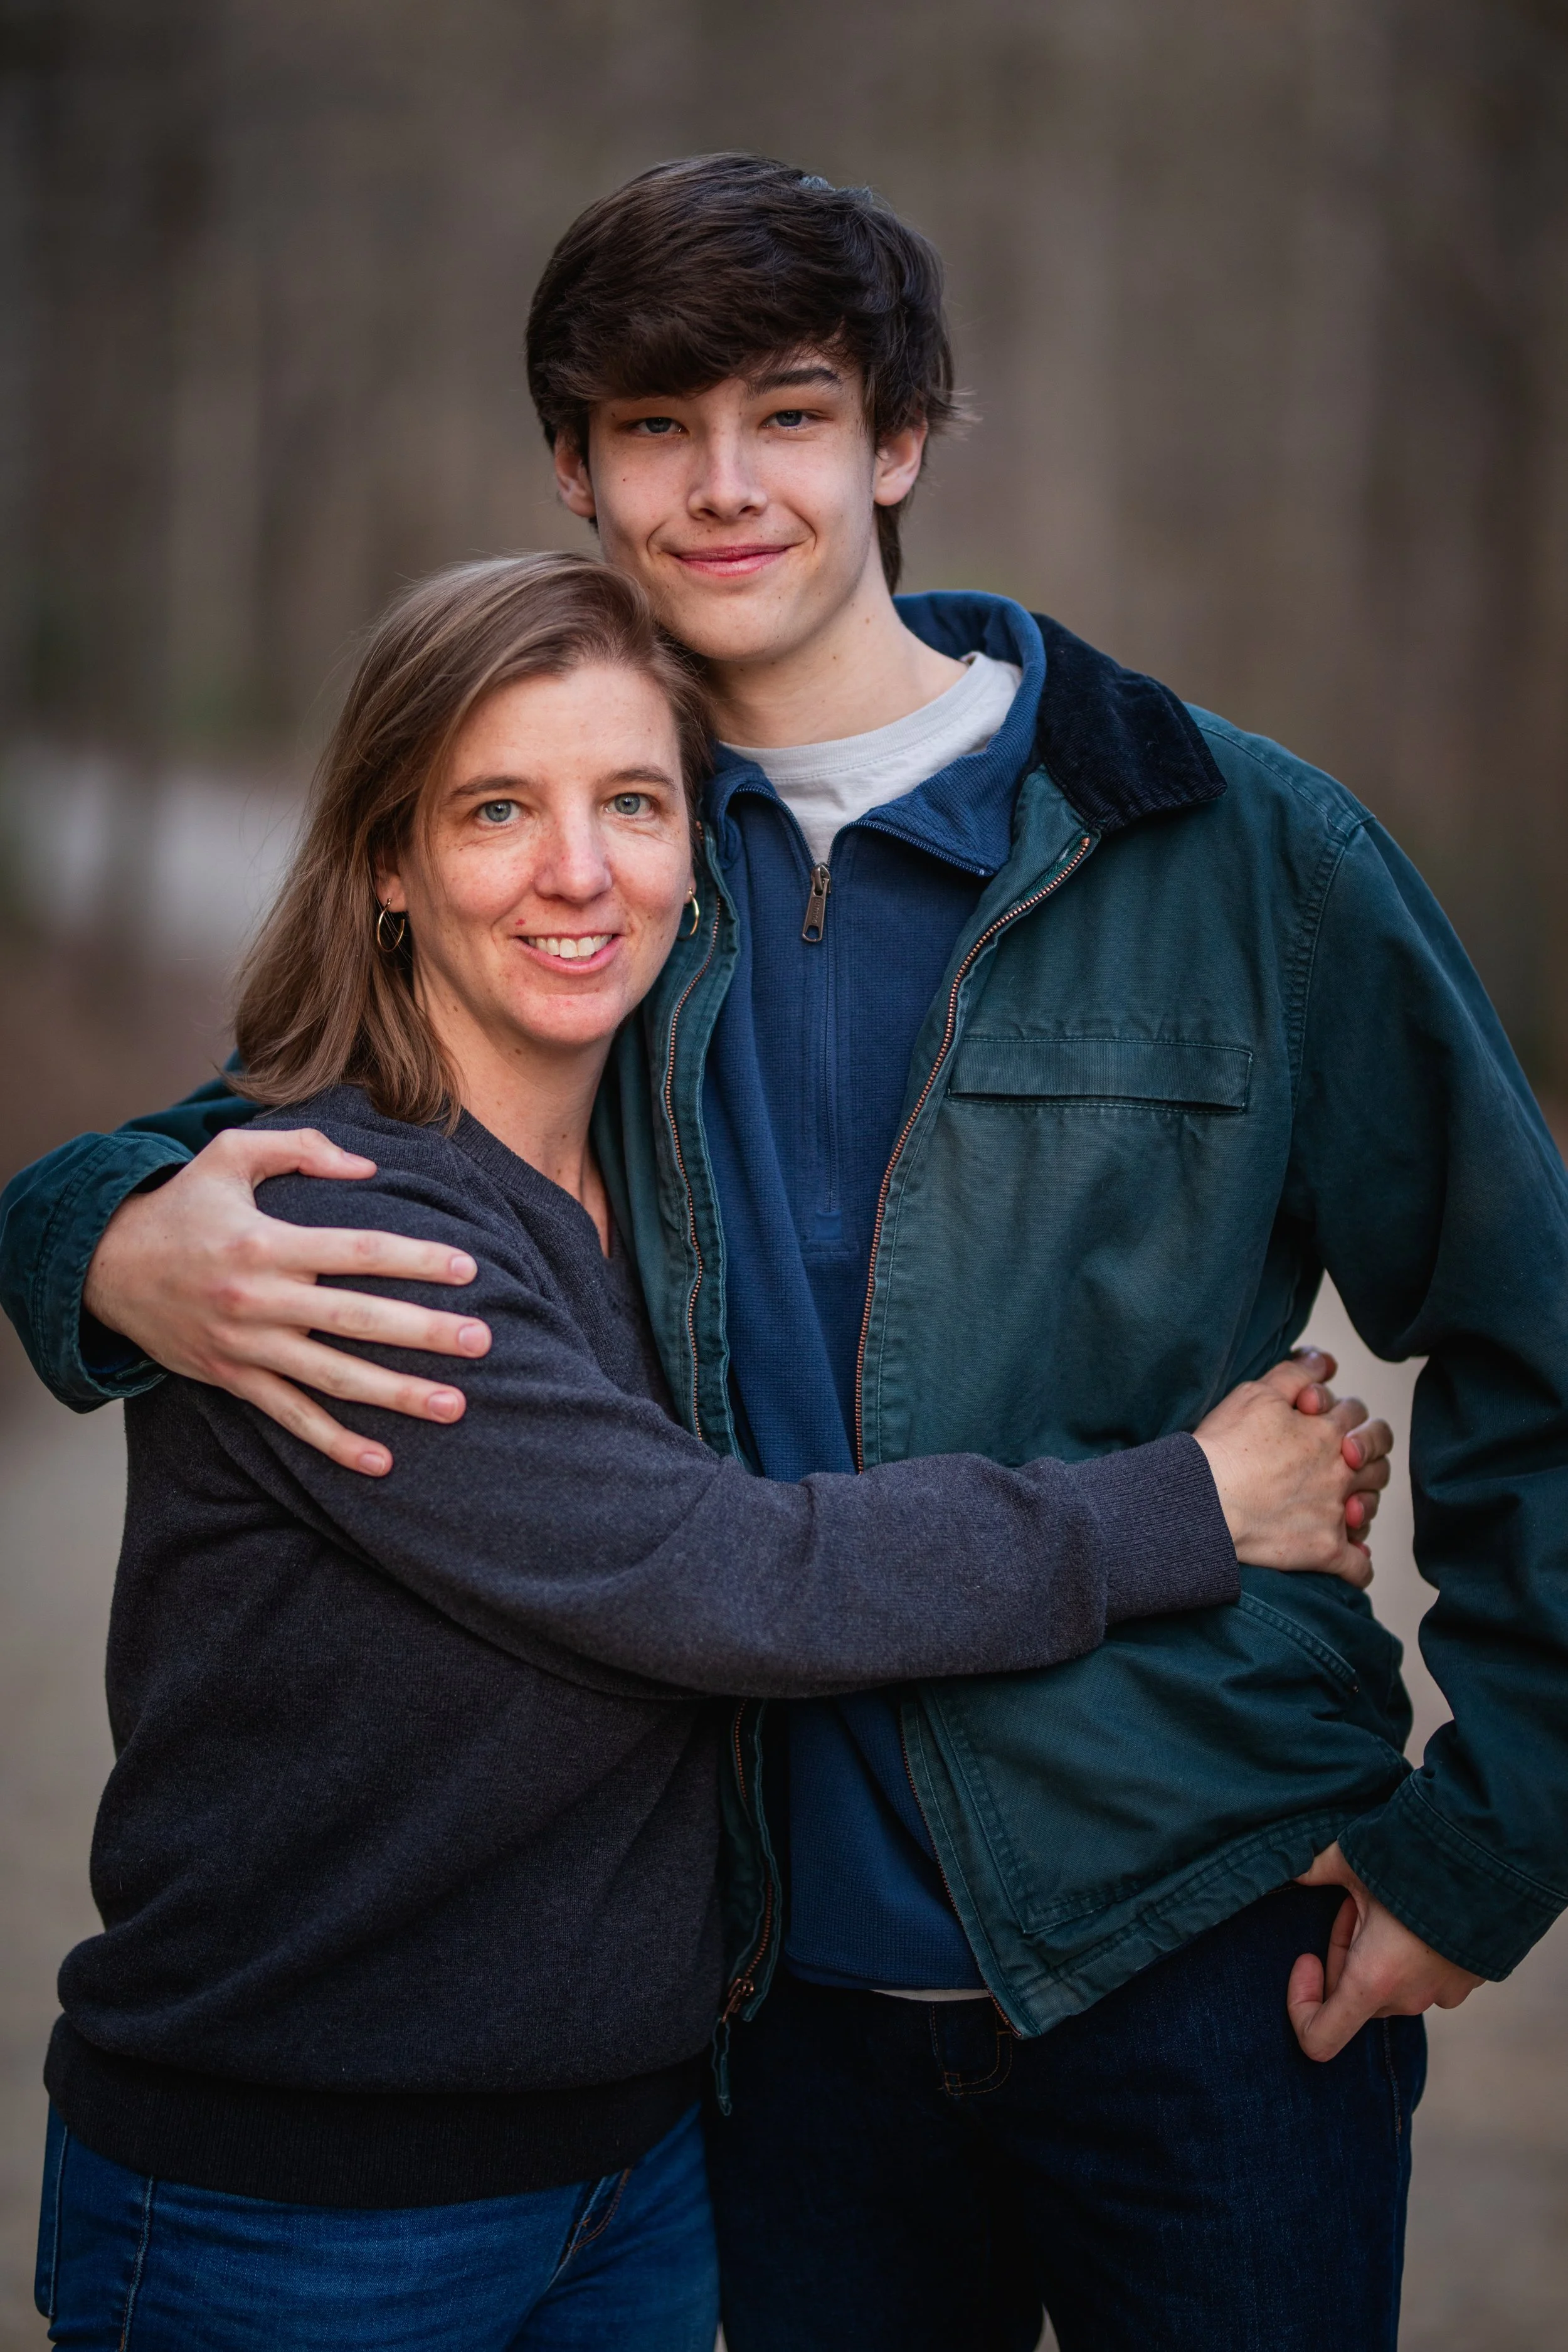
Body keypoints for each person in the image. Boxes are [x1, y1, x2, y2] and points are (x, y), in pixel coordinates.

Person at [6, 154, 1565, 2348]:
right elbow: (279, 1129)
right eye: (652, 424)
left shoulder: (1231, 845)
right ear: (575, 467)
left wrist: (1486, 1845)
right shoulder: (607, 861)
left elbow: (1533, 1321)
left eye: (794, 411)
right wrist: (86, 1243)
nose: (723, 483)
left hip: (1204, 1949)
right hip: (766, 2025)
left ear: (899, 440)